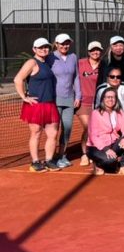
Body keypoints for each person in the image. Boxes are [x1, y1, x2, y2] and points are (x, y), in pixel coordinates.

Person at [13, 37, 60, 172]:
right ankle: (35, 162)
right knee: (36, 133)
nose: (44, 49)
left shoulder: (47, 62)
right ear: (34, 49)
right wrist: (24, 97)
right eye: (40, 47)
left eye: (46, 47)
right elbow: (18, 79)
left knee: (53, 133)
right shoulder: (32, 62)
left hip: (49, 104)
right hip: (36, 105)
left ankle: (49, 160)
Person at [50, 32, 81, 167]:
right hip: (55, 99)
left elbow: (76, 77)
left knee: (67, 128)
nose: (65, 46)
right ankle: (51, 157)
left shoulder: (73, 57)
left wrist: (78, 96)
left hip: (69, 99)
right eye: (62, 43)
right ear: (56, 44)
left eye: (67, 43)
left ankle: (62, 156)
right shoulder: (50, 57)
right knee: (54, 130)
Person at [86, 88, 124, 176]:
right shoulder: (96, 113)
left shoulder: (119, 112)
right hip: (96, 147)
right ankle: (98, 164)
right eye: (108, 97)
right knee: (110, 161)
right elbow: (93, 136)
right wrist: (106, 149)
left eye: (113, 97)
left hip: (113, 143)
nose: (110, 99)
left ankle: (122, 165)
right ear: (103, 99)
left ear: (116, 99)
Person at [76, 41, 105, 166]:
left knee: (97, 129)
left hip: (98, 103)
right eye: (93, 50)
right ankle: (84, 154)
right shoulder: (80, 63)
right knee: (88, 127)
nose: (95, 52)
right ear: (88, 52)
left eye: (97, 50)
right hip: (83, 102)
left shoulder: (104, 65)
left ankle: (94, 152)